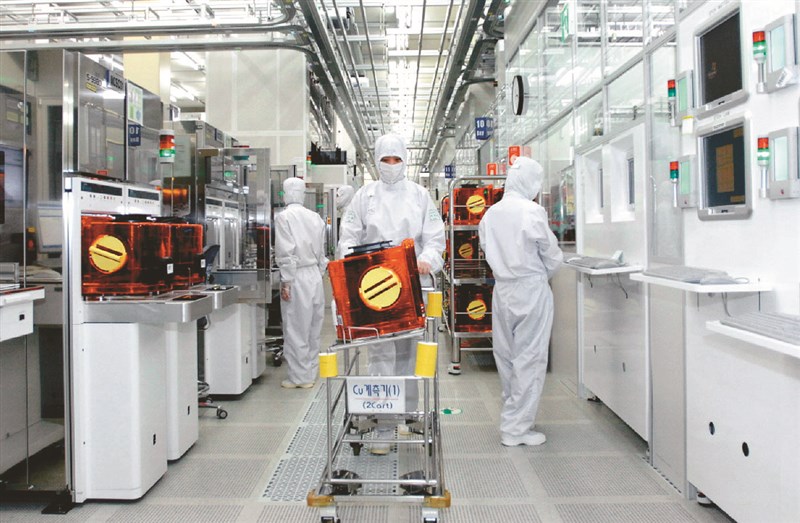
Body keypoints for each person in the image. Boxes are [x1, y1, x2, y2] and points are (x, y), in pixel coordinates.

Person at [337, 133, 445, 453]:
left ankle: (406, 415)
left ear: (405, 160)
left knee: (409, 353)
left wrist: (427, 261)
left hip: (411, 284)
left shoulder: (419, 196)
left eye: (397, 159)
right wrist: (354, 262)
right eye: (386, 159)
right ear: (377, 161)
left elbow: (435, 239)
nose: (392, 165)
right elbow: (348, 237)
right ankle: (384, 425)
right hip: (375, 288)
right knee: (381, 354)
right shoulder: (364, 196)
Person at [478, 157, 563, 446]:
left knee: (506, 356)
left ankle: (513, 416)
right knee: (530, 357)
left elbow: (486, 249)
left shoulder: (490, 214)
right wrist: (539, 276)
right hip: (530, 289)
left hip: (502, 290)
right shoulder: (532, 211)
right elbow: (551, 255)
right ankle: (517, 428)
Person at [275, 177, 328, 389]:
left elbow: (286, 252)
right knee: (314, 328)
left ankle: (299, 377)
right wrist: (319, 272)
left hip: (297, 276)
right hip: (314, 275)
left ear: (286, 193)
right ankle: (310, 373)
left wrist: (286, 281)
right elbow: (322, 253)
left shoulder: (284, 217)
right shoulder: (315, 217)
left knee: (296, 328)